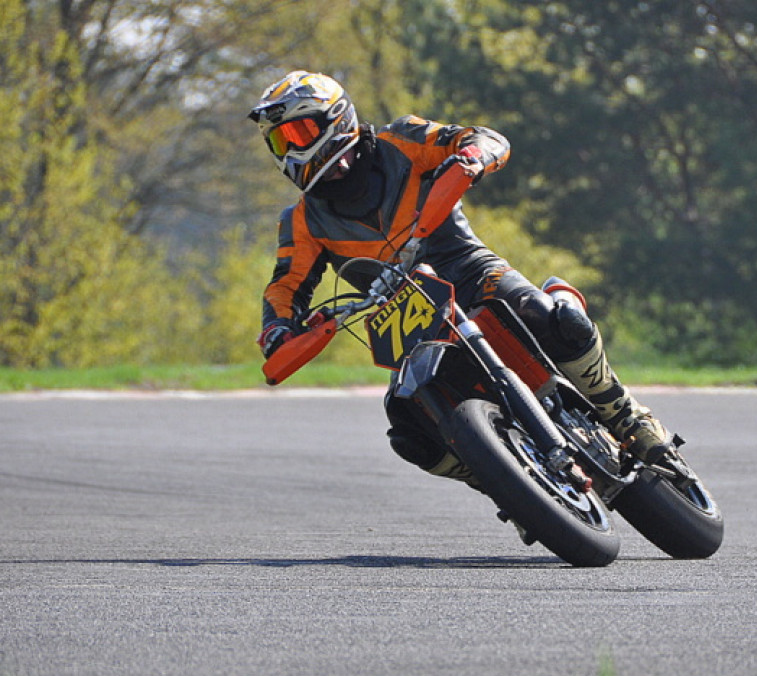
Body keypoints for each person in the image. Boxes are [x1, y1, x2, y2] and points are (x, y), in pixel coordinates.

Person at [249, 70, 672, 483]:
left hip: (469, 269)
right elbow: (285, 285)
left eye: (298, 133)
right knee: (410, 432)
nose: (290, 149)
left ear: (337, 119)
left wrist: (473, 156)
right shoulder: (302, 221)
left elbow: (482, 138)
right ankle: (507, 484)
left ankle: (626, 415)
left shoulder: (403, 139)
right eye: (279, 141)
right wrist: (277, 328)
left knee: (554, 318)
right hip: (408, 320)